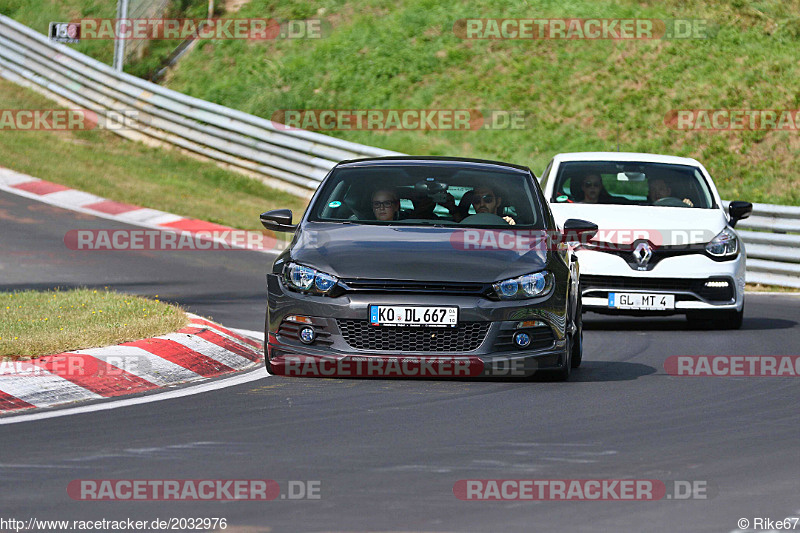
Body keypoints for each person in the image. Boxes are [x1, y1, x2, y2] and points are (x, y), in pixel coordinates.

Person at [446, 185, 515, 224]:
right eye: (477, 200)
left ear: (498, 202)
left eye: (487, 199)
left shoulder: (506, 222)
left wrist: (509, 224)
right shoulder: (465, 225)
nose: (482, 204)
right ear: (473, 204)